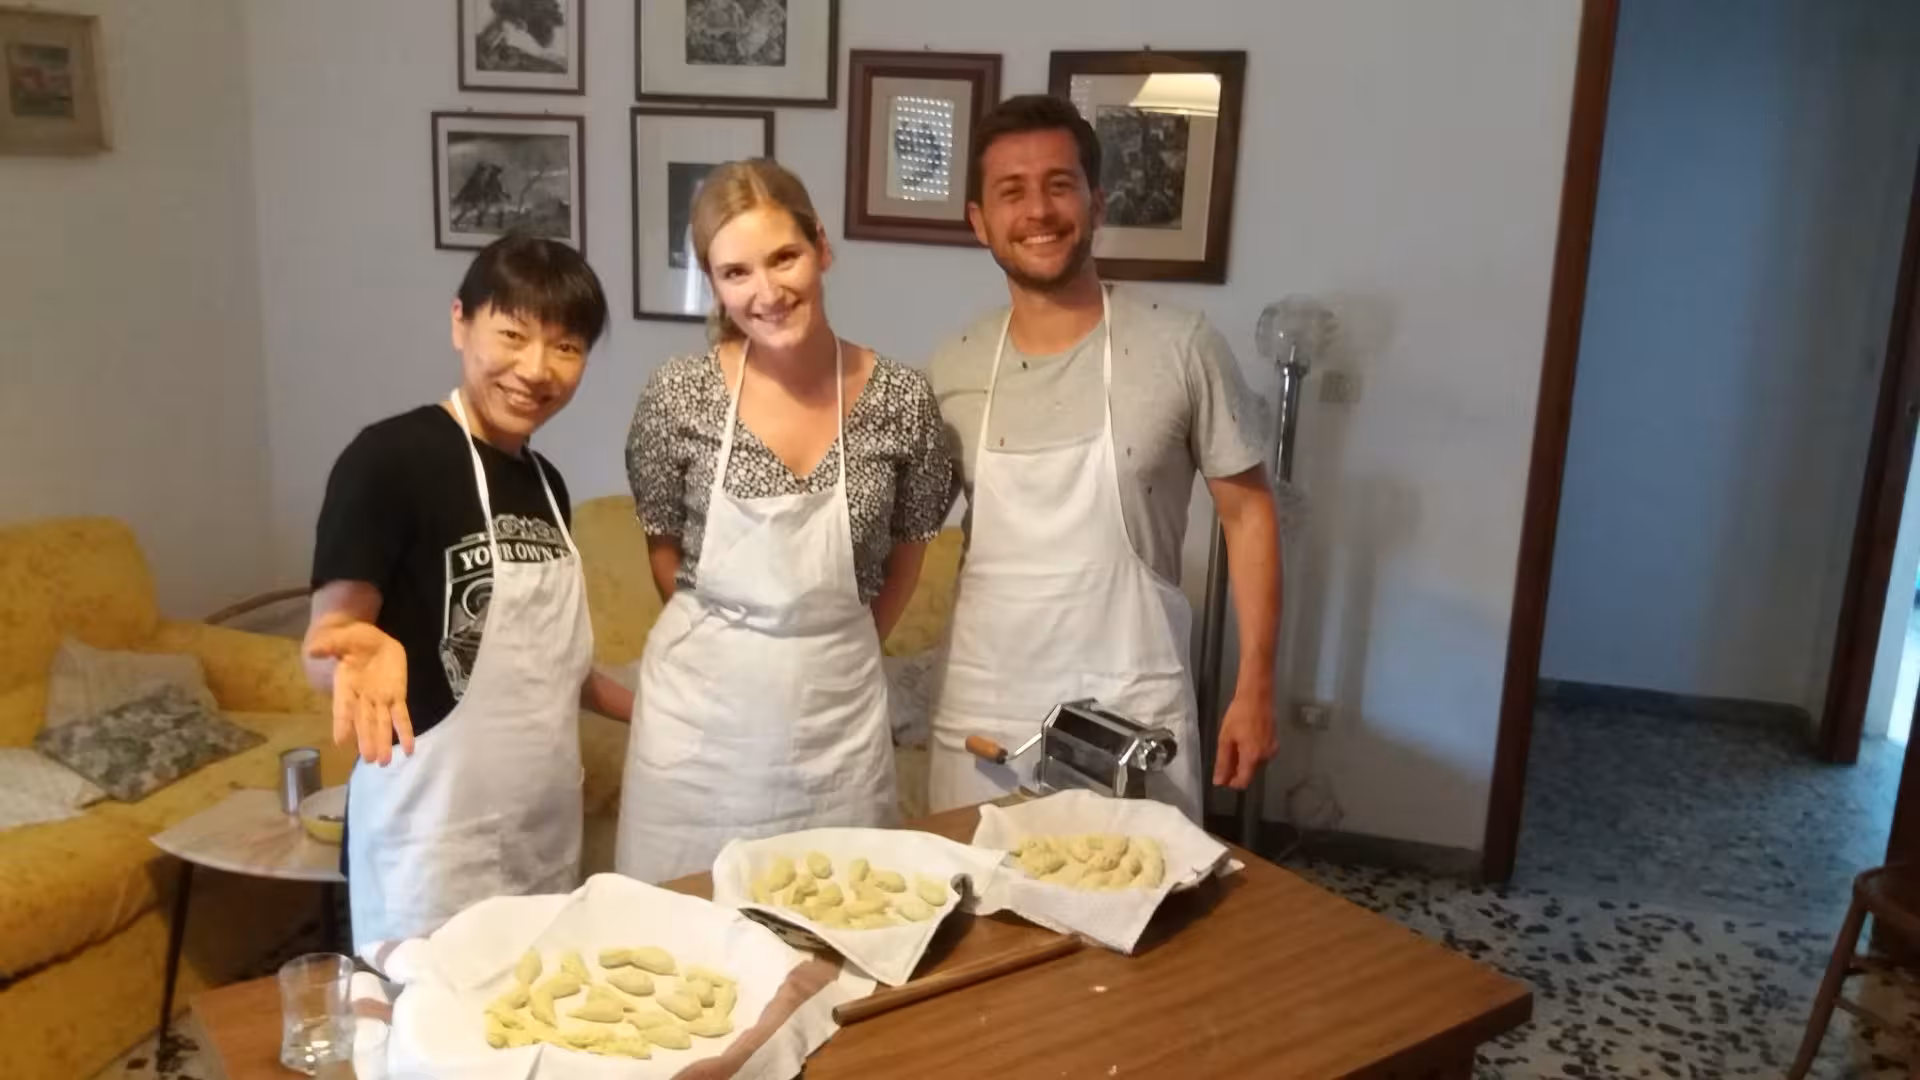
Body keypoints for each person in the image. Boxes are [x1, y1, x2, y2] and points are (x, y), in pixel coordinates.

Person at [926, 95, 1283, 821]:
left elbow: (1248, 517)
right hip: (986, 708)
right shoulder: (954, 367)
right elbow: (902, 534)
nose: (1039, 211)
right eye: (1012, 192)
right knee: (984, 917)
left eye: (1060, 185)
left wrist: (1256, 687)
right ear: (979, 221)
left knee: (1144, 916)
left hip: (1132, 703)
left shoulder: (1181, 347)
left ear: (1097, 202)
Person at [616, 159, 954, 883]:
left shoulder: (903, 400)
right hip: (698, 727)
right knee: (683, 939)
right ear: (712, 283)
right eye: (736, 273)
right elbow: (662, 546)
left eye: (784, 258)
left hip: (837, 718)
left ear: (822, 249)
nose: (766, 292)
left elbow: (911, 547)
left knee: (841, 915)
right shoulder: (678, 396)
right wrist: (737, 642)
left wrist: (841, 640)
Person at [304, 234, 634, 951]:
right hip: (429, 841)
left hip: (538, 829)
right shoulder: (389, 460)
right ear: (461, 322)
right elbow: (327, 648)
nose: (535, 370)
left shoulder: (549, 484)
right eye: (511, 336)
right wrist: (359, 660)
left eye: (566, 347)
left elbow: (551, 669)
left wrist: (657, 710)